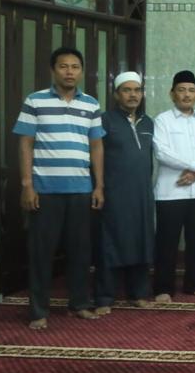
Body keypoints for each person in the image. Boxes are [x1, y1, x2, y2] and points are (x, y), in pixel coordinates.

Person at [13, 46, 105, 329]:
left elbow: (96, 146)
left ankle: (79, 303)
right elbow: (25, 143)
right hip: (45, 190)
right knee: (41, 253)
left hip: (80, 190)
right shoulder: (35, 101)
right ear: (53, 70)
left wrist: (99, 185)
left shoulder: (90, 104)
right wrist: (27, 185)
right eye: (63, 66)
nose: (69, 72)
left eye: (75, 67)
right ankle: (38, 311)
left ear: (81, 71)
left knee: (80, 251)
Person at [152, 70, 195, 302]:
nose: (186, 94)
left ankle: (193, 284)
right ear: (172, 94)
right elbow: (162, 152)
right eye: (181, 90)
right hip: (170, 192)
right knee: (167, 243)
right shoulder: (162, 120)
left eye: (191, 90)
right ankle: (163, 288)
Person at [94, 72, 153, 313]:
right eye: (127, 90)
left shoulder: (148, 122)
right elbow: (96, 155)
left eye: (136, 90)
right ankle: (105, 297)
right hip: (114, 192)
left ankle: (138, 293)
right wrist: (99, 187)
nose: (132, 95)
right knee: (110, 242)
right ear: (116, 94)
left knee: (141, 240)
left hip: (142, 194)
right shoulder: (104, 120)